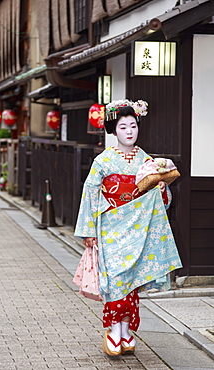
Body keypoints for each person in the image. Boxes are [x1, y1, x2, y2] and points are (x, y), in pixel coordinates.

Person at [74, 99, 182, 356]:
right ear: (113, 130)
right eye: (123, 127)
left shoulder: (146, 160)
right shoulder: (103, 161)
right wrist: (88, 230)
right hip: (110, 224)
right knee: (115, 280)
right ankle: (113, 329)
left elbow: (159, 197)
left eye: (133, 125)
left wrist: (162, 189)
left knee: (131, 280)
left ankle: (126, 329)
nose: (129, 131)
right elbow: (90, 193)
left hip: (139, 226)